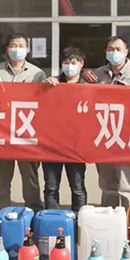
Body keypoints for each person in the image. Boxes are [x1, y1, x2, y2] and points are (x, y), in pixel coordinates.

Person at [94, 36, 130, 245]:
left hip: (127, 139)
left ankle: (129, 226)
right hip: (104, 137)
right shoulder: (98, 74)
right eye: (110, 49)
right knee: (107, 184)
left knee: (126, 186)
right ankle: (109, 222)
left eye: (118, 49)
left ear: (126, 52)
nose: (114, 52)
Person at [0, 33, 46, 215]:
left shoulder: (37, 73)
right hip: (2, 131)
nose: (17, 49)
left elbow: (43, 102)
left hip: (27, 132)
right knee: (2, 176)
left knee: (30, 176)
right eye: (14, 46)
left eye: (21, 46)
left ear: (27, 50)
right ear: (7, 49)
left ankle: (34, 210)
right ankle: (0, 212)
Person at [42, 47, 88, 213]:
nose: (70, 66)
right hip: (52, 144)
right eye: (66, 62)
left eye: (74, 62)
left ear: (81, 64)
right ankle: (52, 219)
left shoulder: (88, 87)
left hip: (76, 145)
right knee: (51, 187)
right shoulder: (52, 83)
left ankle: (79, 219)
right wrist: (44, 87)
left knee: (77, 187)